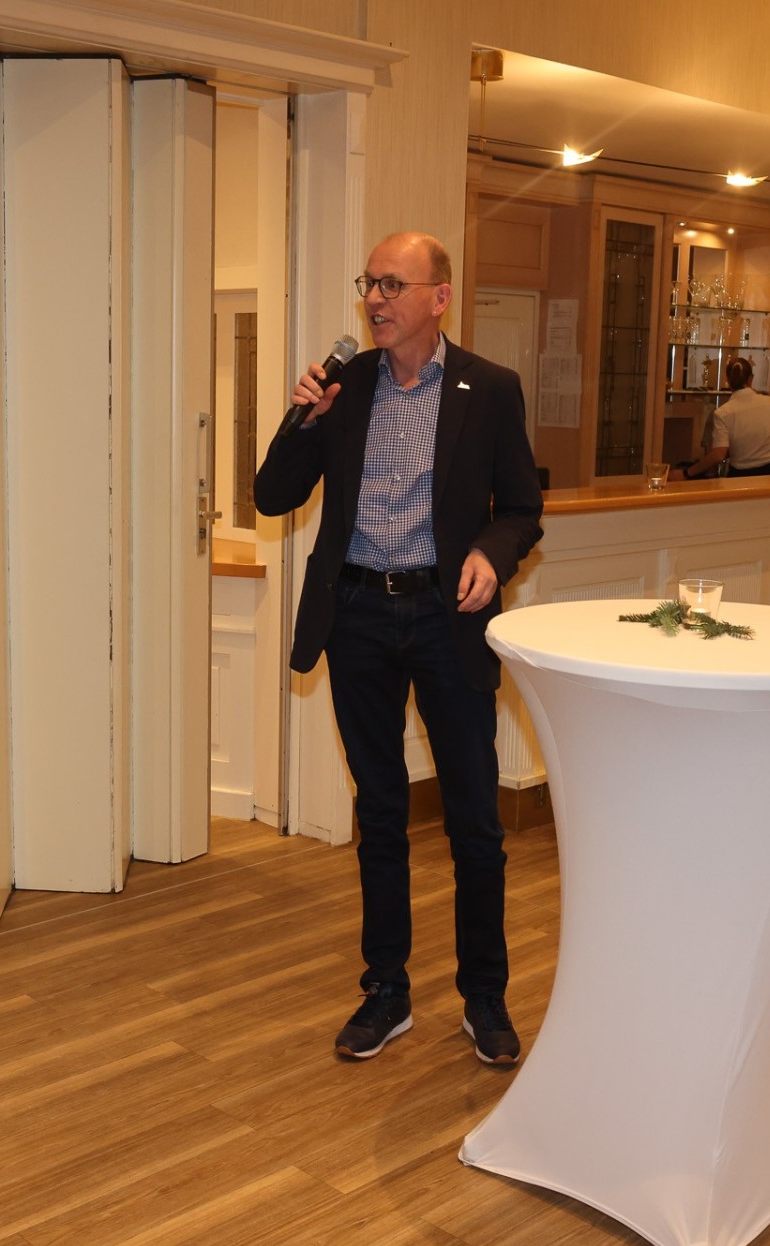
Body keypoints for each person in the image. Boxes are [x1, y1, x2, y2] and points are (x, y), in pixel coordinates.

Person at [254, 231, 544, 1066]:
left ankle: (484, 996)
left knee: (474, 819)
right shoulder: (342, 389)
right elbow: (272, 495)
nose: (374, 300)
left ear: (438, 297)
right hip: (358, 616)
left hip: (446, 618)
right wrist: (303, 421)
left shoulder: (490, 388)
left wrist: (490, 553)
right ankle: (386, 990)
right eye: (369, 284)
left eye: (392, 284)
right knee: (379, 812)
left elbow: (521, 508)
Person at [671, 356, 770, 481]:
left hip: (742, 477)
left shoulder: (723, 413)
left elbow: (718, 455)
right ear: (751, 378)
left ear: (728, 380)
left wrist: (687, 473)